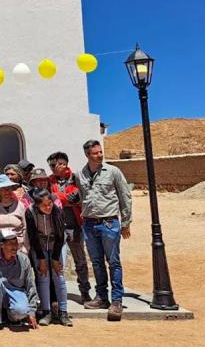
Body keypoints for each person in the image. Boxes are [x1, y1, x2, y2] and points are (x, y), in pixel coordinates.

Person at [72, 140, 132, 321]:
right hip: (89, 224)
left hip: (109, 223)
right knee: (97, 263)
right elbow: (81, 197)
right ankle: (101, 297)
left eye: (100, 152)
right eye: (95, 153)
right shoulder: (80, 174)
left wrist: (126, 222)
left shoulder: (113, 171)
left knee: (113, 262)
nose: (100, 155)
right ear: (87, 155)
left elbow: (125, 196)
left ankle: (117, 300)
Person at [48, 151, 92, 302]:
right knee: (55, 259)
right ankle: (56, 293)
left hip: (74, 225)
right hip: (56, 226)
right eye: (51, 165)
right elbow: (51, 198)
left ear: (64, 164)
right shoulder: (49, 181)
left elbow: (82, 196)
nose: (52, 168)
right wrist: (64, 198)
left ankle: (85, 291)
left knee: (80, 260)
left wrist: (59, 198)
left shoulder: (76, 178)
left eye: (54, 165)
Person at [25, 188, 71, 326]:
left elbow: (60, 235)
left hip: (56, 244)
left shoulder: (57, 210)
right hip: (39, 245)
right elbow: (33, 237)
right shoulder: (30, 212)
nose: (48, 207)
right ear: (37, 204)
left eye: (50, 203)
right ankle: (46, 311)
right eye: (44, 205)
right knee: (43, 276)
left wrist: (55, 259)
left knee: (59, 276)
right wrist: (42, 260)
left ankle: (63, 312)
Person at [0, 228, 39, 331]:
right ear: (1, 245)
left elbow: (30, 286)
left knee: (22, 311)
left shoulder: (24, 259)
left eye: (16, 243)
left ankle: (10, 317)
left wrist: (32, 311)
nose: (15, 246)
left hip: (16, 292)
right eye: (10, 243)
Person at [0, 174, 27, 253]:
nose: (7, 191)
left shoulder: (20, 205)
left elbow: (25, 227)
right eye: (3, 189)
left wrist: (26, 246)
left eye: (9, 188)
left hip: (17, 248)